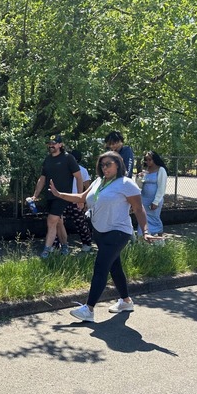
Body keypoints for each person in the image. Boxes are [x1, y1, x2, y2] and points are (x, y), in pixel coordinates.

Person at [49, 151, 154, 322]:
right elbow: (82, 197)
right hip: (99, 231)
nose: (104, 167)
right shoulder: (99, 181)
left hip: (118, 231)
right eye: (102, 164)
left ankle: (88, 309)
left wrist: (146, 231)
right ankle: (126, 301)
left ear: (118, 164)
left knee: (101, 267)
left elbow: (139, 208)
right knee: (114, 267)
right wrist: (60, 194)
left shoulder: (126, 184)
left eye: (108, 164)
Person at [29, 134, 83, 258]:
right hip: (50, 196)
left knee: (51, 220)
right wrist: (35, 195)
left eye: (54, 143)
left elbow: (79, 177)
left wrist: (80, 197)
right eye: (49, 143)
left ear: (60, 144)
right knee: (58, 222)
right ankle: (65, 247)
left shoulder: (68, 158)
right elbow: (42, 178)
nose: (51, 145)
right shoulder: (47, 159)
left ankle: (47, 251)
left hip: (63, 196)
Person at [58, 150, 93, 252]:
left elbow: (87, 186)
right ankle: (57, 244)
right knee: (58, 222)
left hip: (76, 199)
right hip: (63, 198)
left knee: (80, 222)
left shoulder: (82, 170)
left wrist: (84, 201)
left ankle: (87, 243)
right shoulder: (62, 169)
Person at [137, 151, 168, 236]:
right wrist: (139, 178)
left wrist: (156, 201)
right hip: (144, 199)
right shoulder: (146, 170)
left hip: (155, 199)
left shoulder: (160, 170)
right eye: (146, 160)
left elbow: (162, 187)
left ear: (155, 159)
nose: (147, 162)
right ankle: (142, 236)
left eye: (149, 159)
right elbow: (140, 185)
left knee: (154, 218)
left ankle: (159, 236)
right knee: (143, 218)